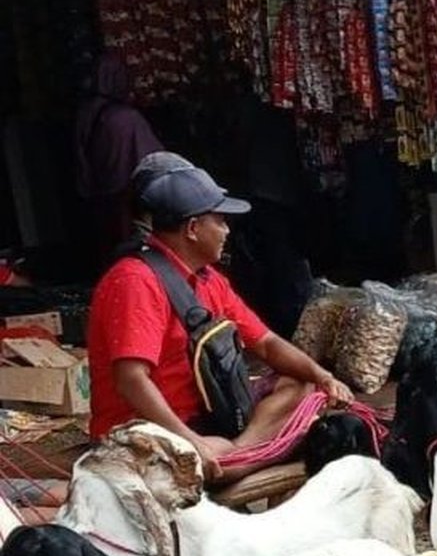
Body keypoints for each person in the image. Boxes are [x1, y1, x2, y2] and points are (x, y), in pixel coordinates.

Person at [87, 154, 353, 481]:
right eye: (221, 221)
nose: (227, 231)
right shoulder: (134, 280)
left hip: (205, 418)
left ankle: (235, 454)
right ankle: (233, 458)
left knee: (301, 384)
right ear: (194, 229)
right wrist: (189, 440)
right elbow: (131, 380)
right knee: (290, 421)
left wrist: (324, 376)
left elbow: (267, 344)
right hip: (146, 432)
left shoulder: (209, 279)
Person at [74, 51, 164, 271]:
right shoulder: (126, 118)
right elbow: (157, 163)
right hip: (127, 201)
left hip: (101, 198)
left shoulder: (86, 113)